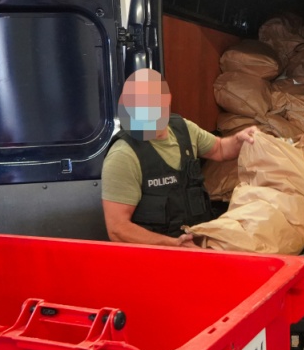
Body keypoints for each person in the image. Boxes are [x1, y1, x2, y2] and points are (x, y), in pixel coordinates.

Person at [102, 69, 257, 247]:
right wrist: (174, 244)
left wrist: (240, 139)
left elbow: (220, 149)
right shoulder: (123, 155)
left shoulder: (184, 129)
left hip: (200, 247)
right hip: (156, 259)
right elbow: (118, 229)